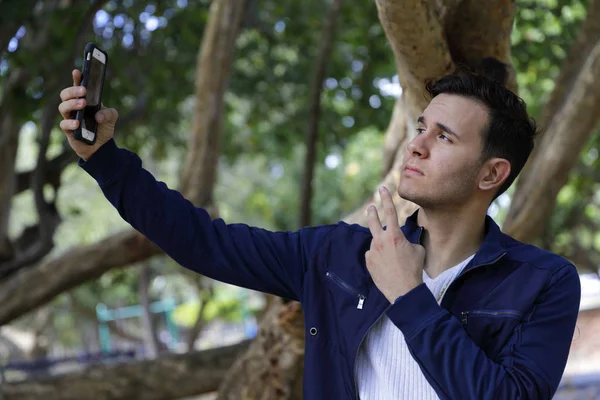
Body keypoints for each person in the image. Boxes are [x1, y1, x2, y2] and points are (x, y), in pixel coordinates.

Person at [58, 60, 580, 399]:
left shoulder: (544, 281)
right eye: (421, 127)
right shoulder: (338, 255)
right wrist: (103, 159)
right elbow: (203, 242)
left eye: (444, 137)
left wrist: (407, 293)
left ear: (492, 174)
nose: (416, 144)